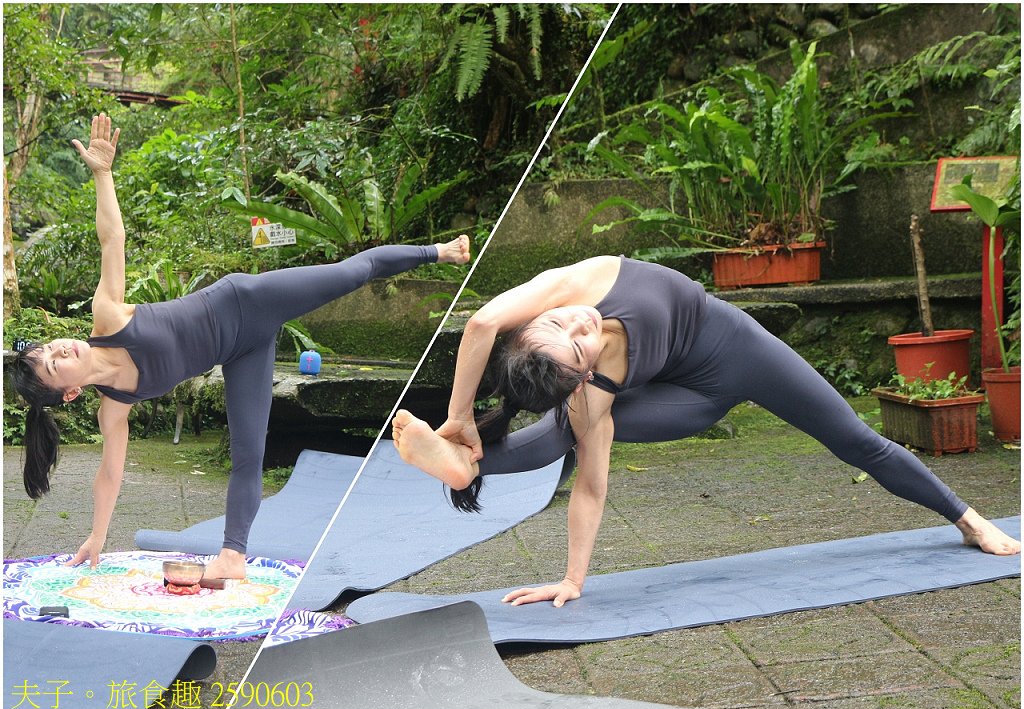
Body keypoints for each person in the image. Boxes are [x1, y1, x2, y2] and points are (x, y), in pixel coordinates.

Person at [392, 255, 1021, 607]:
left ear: (539, 317)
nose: (584, 327)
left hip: (739, 354)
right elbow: (591, 486)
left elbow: (478, 327)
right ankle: (465, 467)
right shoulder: (594, 383)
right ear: (583, 374)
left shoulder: (568, 285)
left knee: (854, 439)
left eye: (568, 328)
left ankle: (968, 520)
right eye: (579, 352)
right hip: (687, 402)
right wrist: (572, 581)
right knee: (576, 434)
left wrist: (460, 415)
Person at [13, 113, 471, 581]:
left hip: (246, 300)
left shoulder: (107, 316)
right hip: (241, 353)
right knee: (249, 453)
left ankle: (440, 251)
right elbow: (110, 475)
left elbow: (112, 238)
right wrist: (97, 535)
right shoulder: (114, 407)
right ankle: (233, 557)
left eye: (51, 346)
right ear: (68, 393)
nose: (61, 349)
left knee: (354, 273)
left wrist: (104, 175)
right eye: (53, 365)